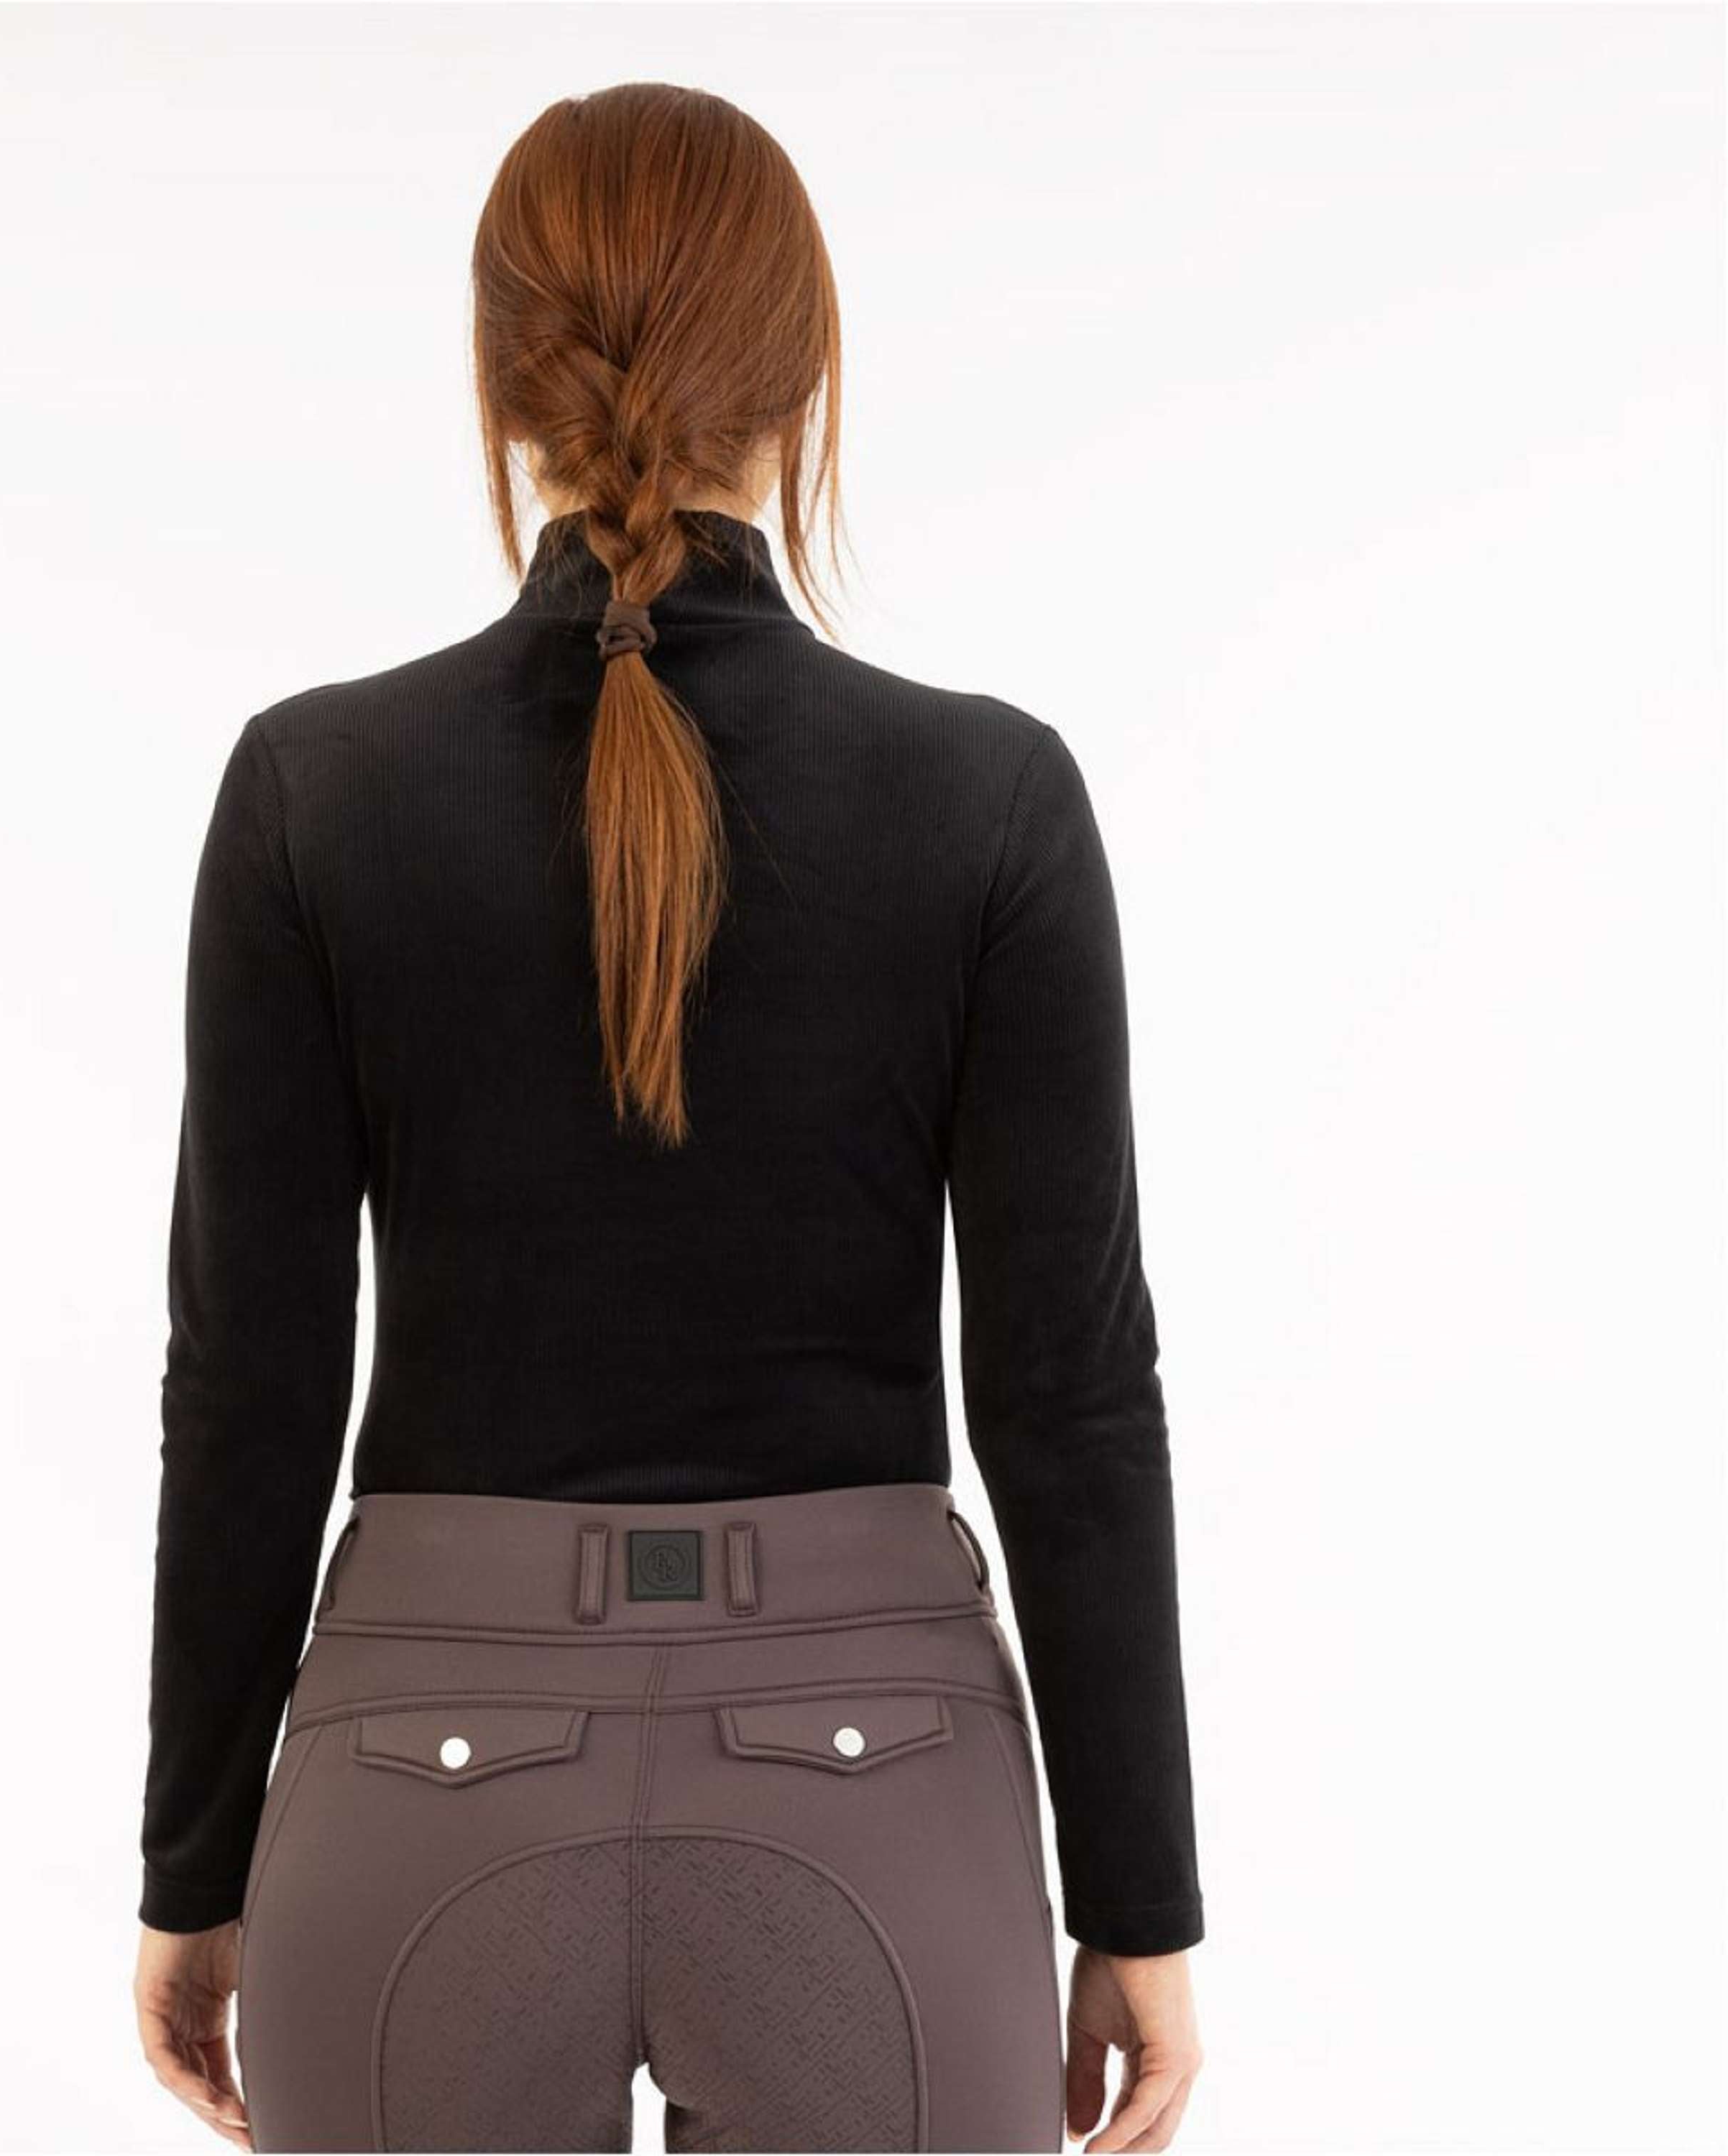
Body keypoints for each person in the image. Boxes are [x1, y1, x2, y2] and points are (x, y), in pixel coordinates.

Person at [132, 81, 1204, 2156]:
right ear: (807, 384)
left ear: (501, 387)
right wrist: (1139, 1903)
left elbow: (249, 1383)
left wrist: (195, 1867)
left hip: (412, 1791)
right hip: (883, 1801)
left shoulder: (312, 794)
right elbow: (1073, 1396)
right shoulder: (991, 801)